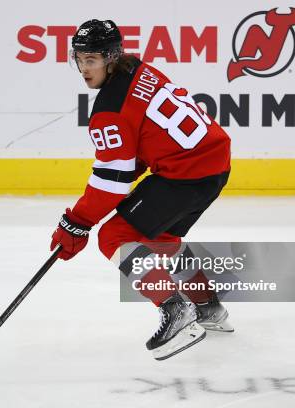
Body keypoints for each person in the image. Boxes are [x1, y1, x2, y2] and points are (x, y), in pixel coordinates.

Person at [49, 19, 233, 360]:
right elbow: (139, 150)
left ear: (112, 56)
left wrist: (77, 222)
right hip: (214, 165)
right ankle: (209, 308)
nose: (84, 68)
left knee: (113, 236)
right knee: (159, 238)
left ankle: (177, 310)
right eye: (80, 59)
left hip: (184, 173)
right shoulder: (140, 70)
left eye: (92, 60)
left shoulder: (108, 110)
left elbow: (111, 183)